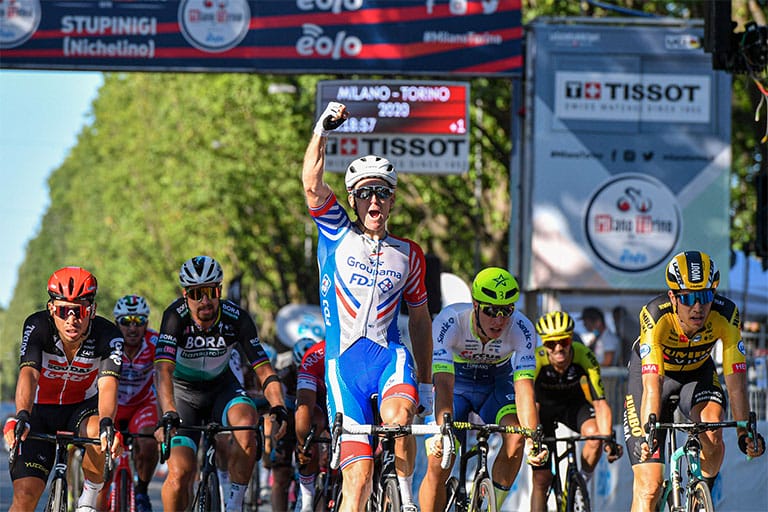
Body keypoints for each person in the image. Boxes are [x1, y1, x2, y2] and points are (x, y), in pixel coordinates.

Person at [302, 102, 434, 512]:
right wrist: (322, 131)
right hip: (344, 367)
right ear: (353, 200)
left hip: (389, 359)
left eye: (381, 193)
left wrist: (426, 384)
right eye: (364, 194)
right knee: (356, 483)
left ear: (392, 201)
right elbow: (310, 182)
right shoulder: (336, 231)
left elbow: (421, 321)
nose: (373, 200)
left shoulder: (409, 254)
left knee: (399, 421)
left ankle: (407, 496)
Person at [624, 250, 766, 512]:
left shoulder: (726, 314)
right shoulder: (656, 316)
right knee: (650, 487)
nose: (698, 307)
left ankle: (702, 496)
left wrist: (744, 431)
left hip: (697, 373)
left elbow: (735, 380)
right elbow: (652, 385)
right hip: (655, 378)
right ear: (673, 297)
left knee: (713, 431)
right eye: (688, 298)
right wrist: (648, 434)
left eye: (705, 296)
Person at [154, 255, 289, 512]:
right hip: (183, 394)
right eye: (197, 293)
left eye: (211, 292)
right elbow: (163, 369)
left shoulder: (236, 318)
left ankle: (235, 505)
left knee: (247, 421)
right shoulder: (174, 317)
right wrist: (169, 411)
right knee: (180, 473)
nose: (205, 300)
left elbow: (264, 369)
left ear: (220, 290)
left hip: (221, 389)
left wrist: (278, 405)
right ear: (186, 294)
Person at [418, 267, 549, 512]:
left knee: (517, 437)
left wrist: (533, 439)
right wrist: (440, 429)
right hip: (455, 387)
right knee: (440, 459)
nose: (499, 320)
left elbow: (524, 390)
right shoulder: (450, 321)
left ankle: (489, 508)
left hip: (494, 386)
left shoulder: (522, 328)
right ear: (475, 305)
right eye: (490, 310)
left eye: (506, 311)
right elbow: (444, 383)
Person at [3, 266, 123, 512]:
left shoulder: (108, 334)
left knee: (99, 434)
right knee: (25, 496)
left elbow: (108, 383)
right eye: (63, 311)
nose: (71, 320)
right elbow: (29, 374)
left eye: (79, 311)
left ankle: (87, 501)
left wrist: (107, 423)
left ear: (93, 310)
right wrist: (22, 414)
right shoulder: (37, 326)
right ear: (51, 309)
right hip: (40, 412)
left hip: (81, 409)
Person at [530, 311, 622, 512]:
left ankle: (581, 483)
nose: (558, 348)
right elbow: (530, 404)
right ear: (544, 345)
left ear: (571, 339)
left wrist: (608, 440)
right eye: (550, 344)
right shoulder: (536, 361)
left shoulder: (584, 355)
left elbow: (600, 403)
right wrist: (533, 440)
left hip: (573, 406)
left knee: (595, 436)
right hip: (542, 411)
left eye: (564, 341)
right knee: (541, 479)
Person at [97, 295, 160, 512]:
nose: (132, 328)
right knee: (98, 452)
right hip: (111, 405)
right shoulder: (107, 343)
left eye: (139, 322)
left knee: (150, 441)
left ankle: (141, 491)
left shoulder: (155, 343)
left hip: (142, 405)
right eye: (126, 322)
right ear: (117, 323)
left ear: (147, 325)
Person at [295, 339, 328, 512]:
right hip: (319, 403)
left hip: (351, 402)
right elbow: (305, 403)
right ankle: (307, 499)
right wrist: (304, 443)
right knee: (308, 428)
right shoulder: (315, 355)